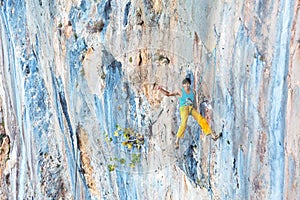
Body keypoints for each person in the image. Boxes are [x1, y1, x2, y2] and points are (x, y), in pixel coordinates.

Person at [156, 77, 221, 148]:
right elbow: (168, 94)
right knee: (184, 123)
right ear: (183, 85)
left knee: (201, 119)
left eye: (188, 84)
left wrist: (196, 110)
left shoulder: (193, 92)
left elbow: (194, 102)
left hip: (191, 108)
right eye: (185, 84)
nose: (187, 85)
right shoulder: (180, 91)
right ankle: (177, 141)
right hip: (184, 108)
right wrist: (161, 89)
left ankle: (213, 135)